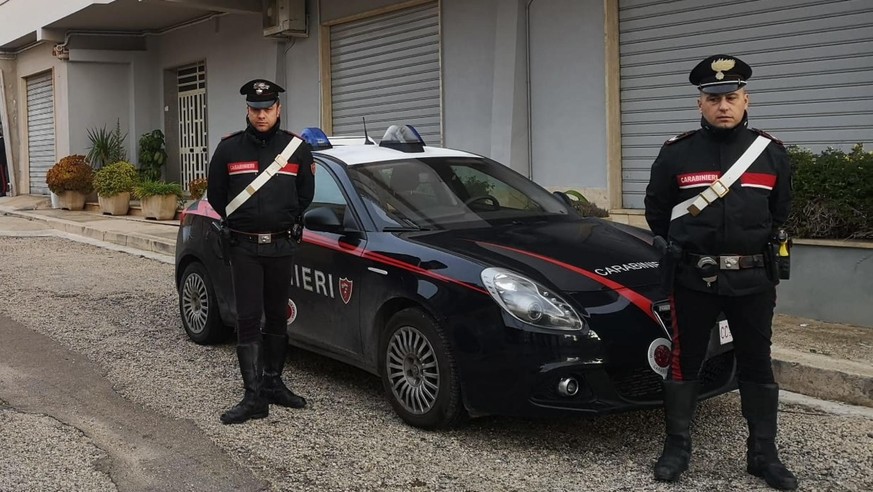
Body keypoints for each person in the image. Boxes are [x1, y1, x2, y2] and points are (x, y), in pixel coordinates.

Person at [644, 55, 797, 490]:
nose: (723, 106)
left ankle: (763, 455)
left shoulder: (770, 154)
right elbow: (657, 212)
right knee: (685, 361)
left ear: (746, 100)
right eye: (714, 99)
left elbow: (779, 212)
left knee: (756, 363)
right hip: (694, 279)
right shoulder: (677, 153)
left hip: (753, 280)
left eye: (731, 97)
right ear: (700, 105)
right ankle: (677, 447)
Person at [206, 78, 315, 425]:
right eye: (255, 109)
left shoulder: (296, 149)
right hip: (245, 248)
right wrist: (247, 221)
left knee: (278, 315)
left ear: (278, 109)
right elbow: (216, 196)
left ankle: (273, 383)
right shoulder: (228, 149)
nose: (262, 115)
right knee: (249, 318)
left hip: (282, 245)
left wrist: (281, 219)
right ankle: (253, 397)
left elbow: (305, 195)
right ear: (247, 111)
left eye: (268, 108)